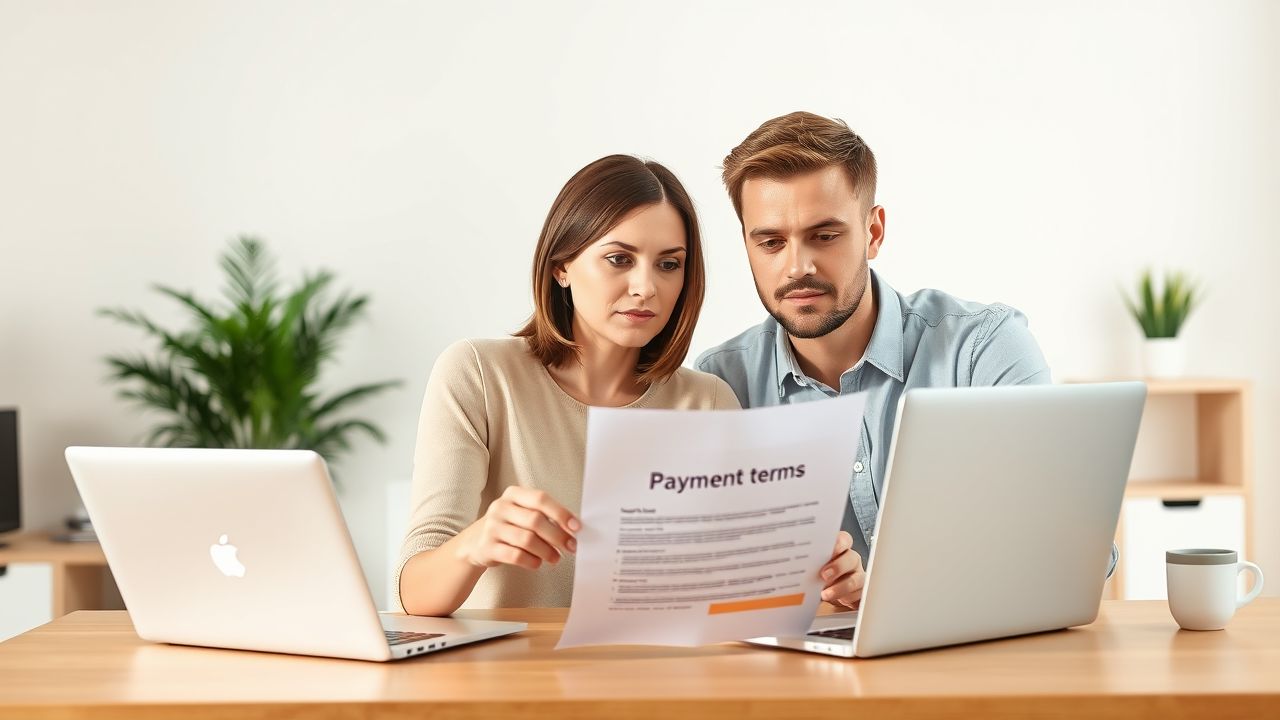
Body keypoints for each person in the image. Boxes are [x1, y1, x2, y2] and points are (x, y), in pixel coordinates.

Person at [396, 155, 868, 616]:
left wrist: (820, 580)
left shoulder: (706, 401)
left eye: (669, 264)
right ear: (562, 266)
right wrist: (476, 545)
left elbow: (734, 595)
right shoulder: (479, 374)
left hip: (655, 680)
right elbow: (414, 595)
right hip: (513, 681)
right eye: (619, 259)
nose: (646, 287)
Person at [696, 112, 1107, 611]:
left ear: (873, 232)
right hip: (805, 677)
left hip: (974, 663)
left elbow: (1075, 553)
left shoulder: (983, 352)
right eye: (770, 242)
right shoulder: (721, 384)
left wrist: (896, 595)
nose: (797, 266)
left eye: (825, 235)